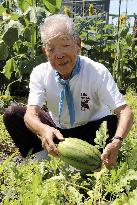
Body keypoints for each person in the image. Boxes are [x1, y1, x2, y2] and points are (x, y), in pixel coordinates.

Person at [3, 14, 133, 168]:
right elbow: (31, 114)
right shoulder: (40, 72)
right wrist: (43, 129)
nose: (59, 55)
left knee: (114, 123)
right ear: (45, 51)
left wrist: (117, 140)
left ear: (77, 44)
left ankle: (99, 160)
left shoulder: (97, 71)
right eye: (51, 48)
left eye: (65, 45)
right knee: (13, 114)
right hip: (59, 132)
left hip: (93, 131)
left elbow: (125, 111)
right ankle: (44, 164)